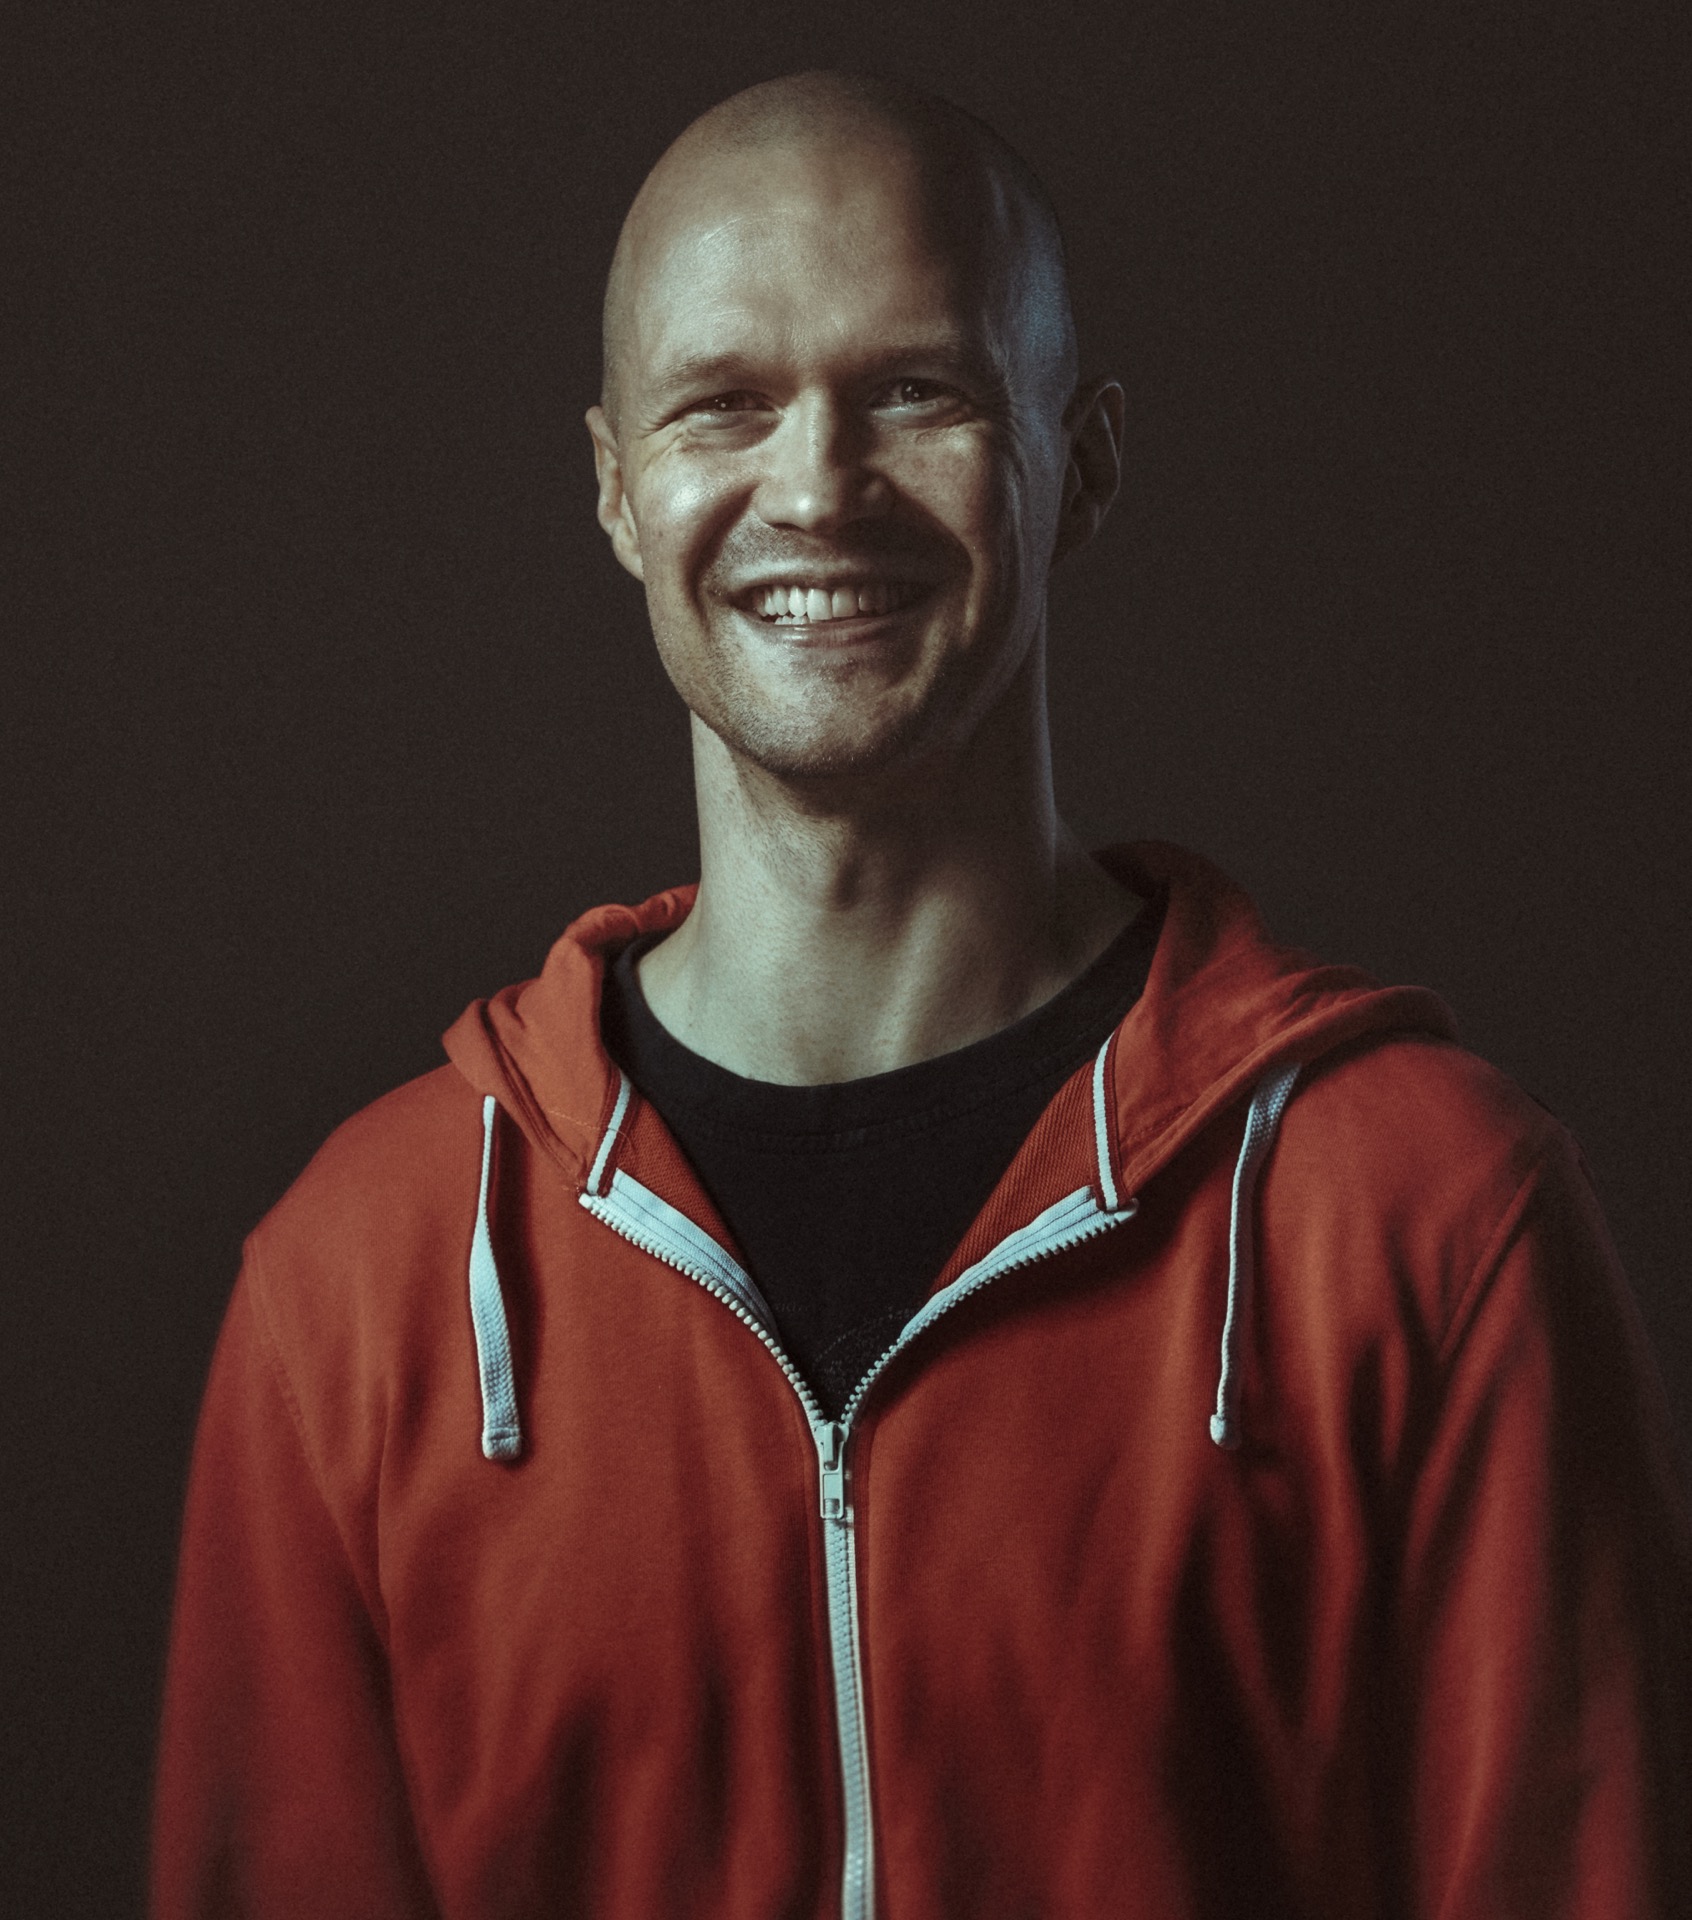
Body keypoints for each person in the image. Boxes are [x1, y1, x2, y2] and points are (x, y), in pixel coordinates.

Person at [152, 70, 1692, 1920]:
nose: (817, 488)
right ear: (618, 488)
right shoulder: (356, 1284)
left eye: (916, 392)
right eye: (725, 404)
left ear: (1084, 461)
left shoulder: (1429, 1216)